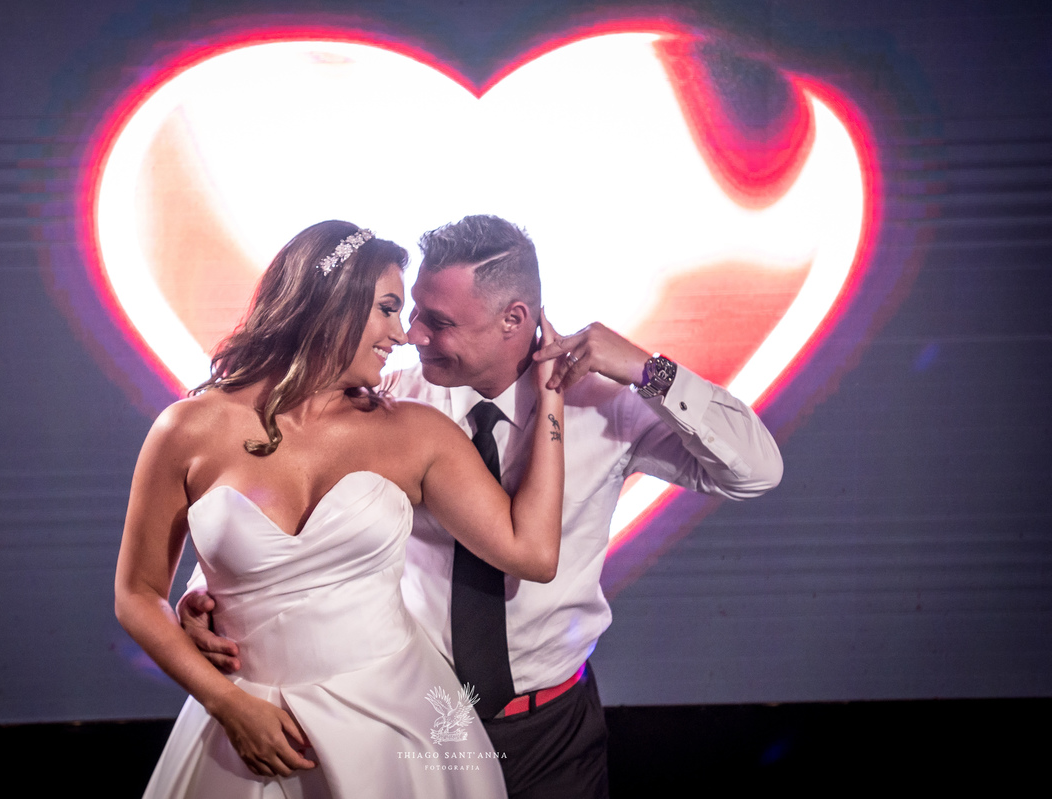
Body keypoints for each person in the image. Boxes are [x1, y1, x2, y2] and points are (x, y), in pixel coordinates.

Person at [181, 215, 784, 798]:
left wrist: (649, 371)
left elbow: (756, 472)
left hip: (551, 731)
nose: (413, 334)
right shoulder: (388, 402)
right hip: (406, 715)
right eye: (413, 312)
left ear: (512, 319)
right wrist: (211, 590)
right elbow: (283, 496)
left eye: (438, 321)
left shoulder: (611, 407)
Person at [115, 219, 568, 799]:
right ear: (329, 302)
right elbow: (136, 594)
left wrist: (551, 395)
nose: (403, 334)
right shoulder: (185, 430)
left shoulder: (415, 432)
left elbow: (532, 554)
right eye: (388, 309)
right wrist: (225, 702)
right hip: (246, 728)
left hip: (399, 728)